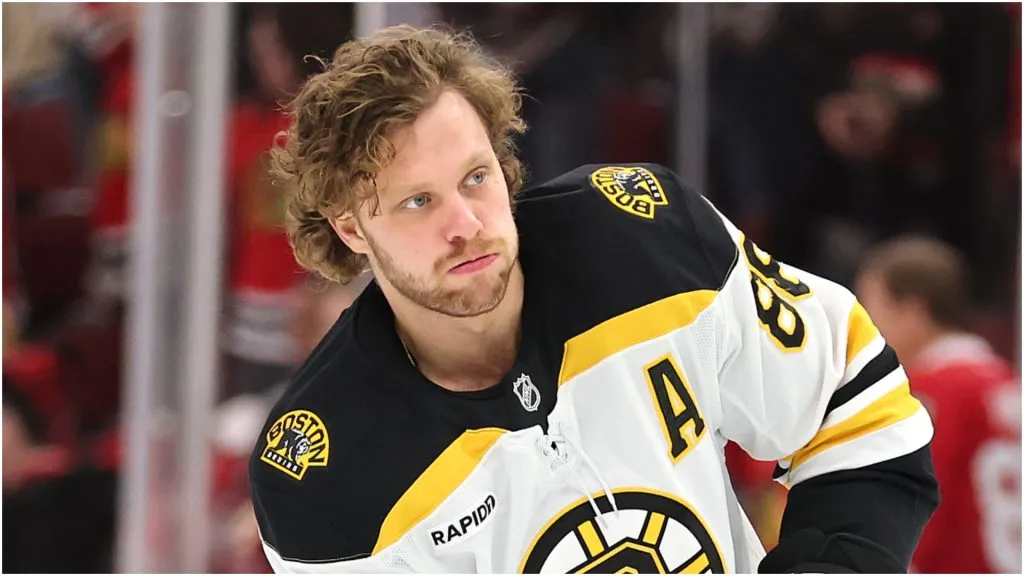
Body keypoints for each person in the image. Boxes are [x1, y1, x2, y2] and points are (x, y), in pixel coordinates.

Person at [249, 25, 938, 574]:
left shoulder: (644, 244)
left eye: (476, 176)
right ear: (350, 227)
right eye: (419, 201)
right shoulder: (324, 473)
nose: (465, 223)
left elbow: (854, 403)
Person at [856, 236, 1021, 574]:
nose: (866, 328)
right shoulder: (1003, 381)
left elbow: (914, 516)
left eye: (872, 308)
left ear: (912, 311)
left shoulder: (930, 393)